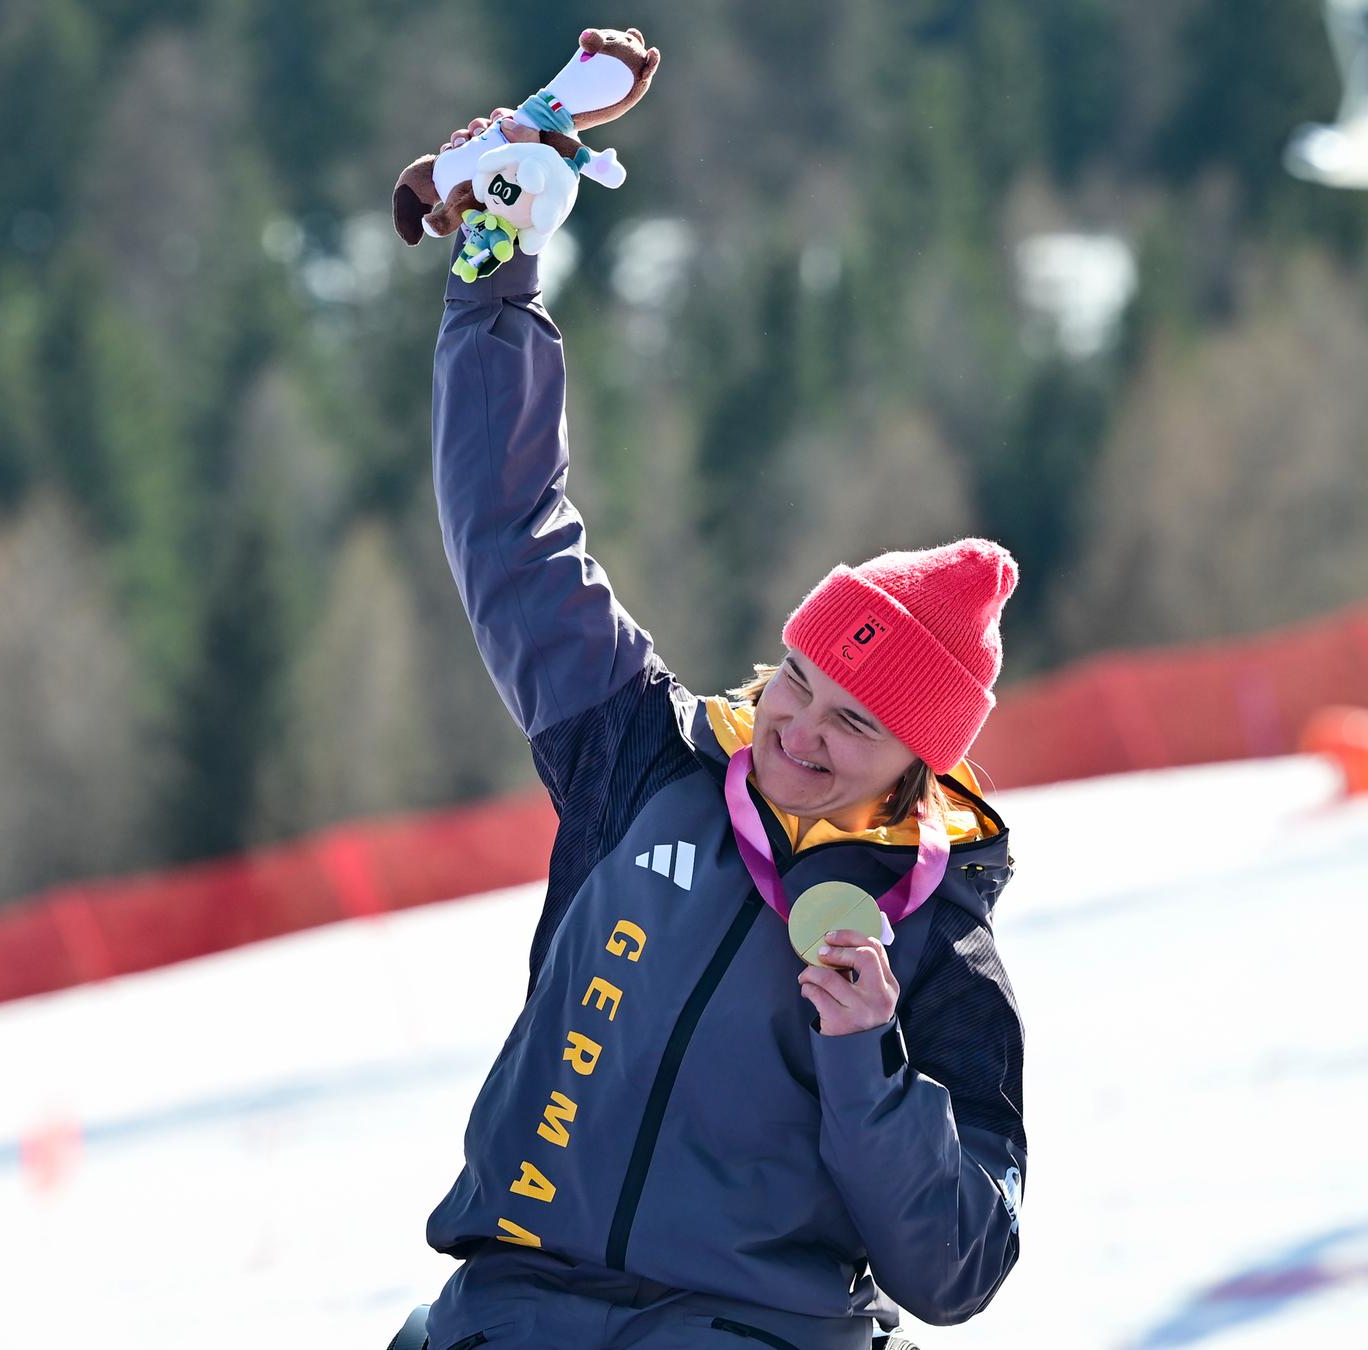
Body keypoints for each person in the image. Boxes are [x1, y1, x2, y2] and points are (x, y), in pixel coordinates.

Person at [411, 114, 1027, 1350]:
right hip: (511, 1310)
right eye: (798, 678)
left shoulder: (938, 950)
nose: (801, 726)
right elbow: (512, 534)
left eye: (857, 723)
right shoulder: (643, 757)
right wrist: (497, 266)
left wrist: (869, 1062)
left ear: (923, 769)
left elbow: (958, 1268)